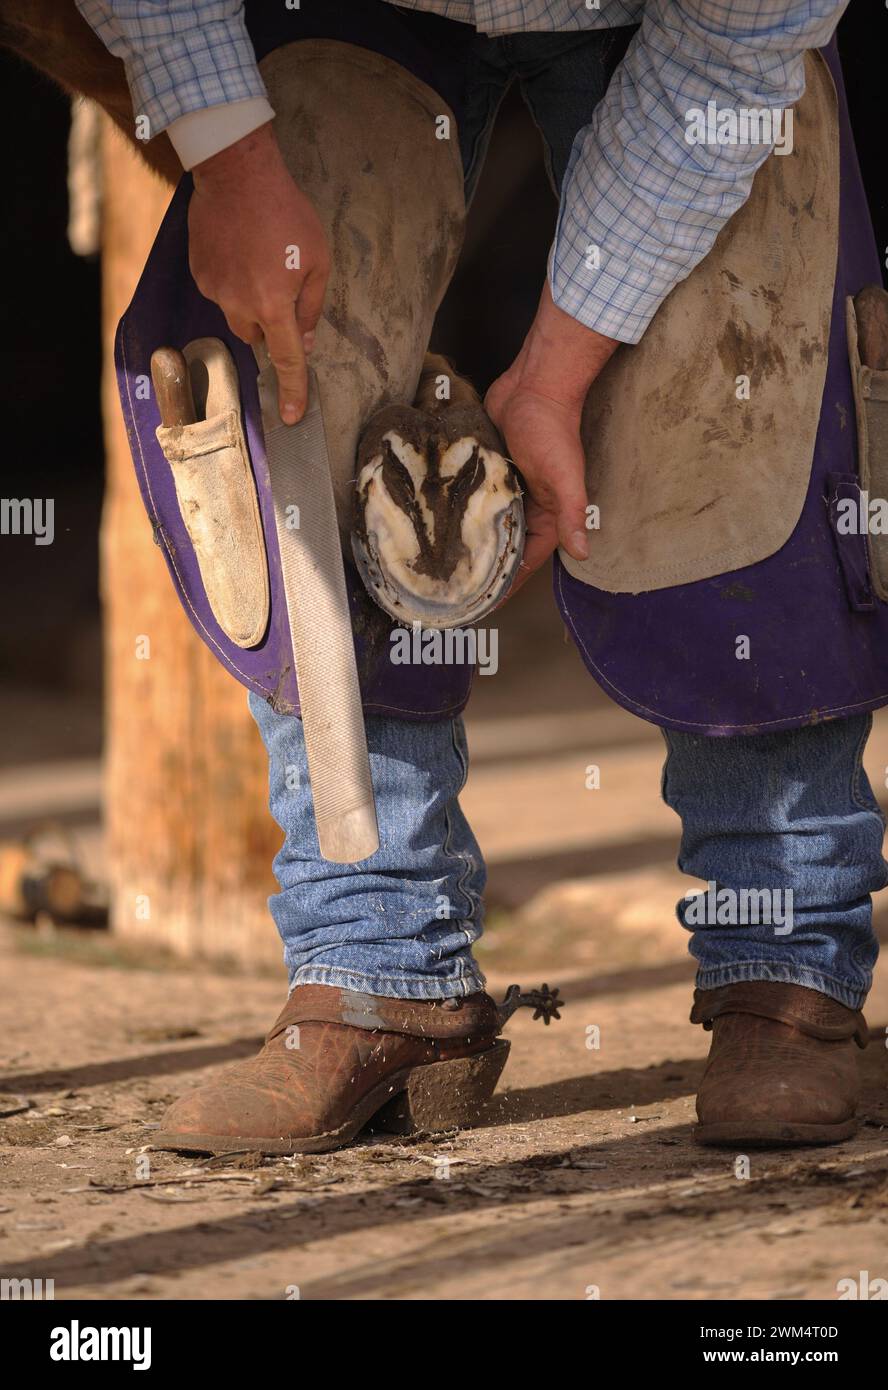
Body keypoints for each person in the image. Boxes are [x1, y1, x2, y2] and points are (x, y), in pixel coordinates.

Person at [82, 0, 884, 1152]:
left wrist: (555, 375)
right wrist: (230, 151)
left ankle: (786, 964)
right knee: (298, 397)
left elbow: (740, 31)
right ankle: (380, 962)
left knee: (740, 383)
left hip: (683, 19)